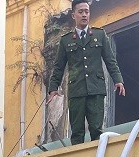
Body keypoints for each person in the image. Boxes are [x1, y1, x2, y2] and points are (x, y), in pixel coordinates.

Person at [47, 0, 125, 146]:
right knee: (77, 132)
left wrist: (118, 80)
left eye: (87, 11)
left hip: (96, 88)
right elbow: (58, 67)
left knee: (96, 129)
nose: (84, 15)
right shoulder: (66, 40)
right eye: (81, 12)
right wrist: (53, 88)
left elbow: (110, 60)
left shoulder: (99, 34)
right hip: (76, 90)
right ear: (73, 15)